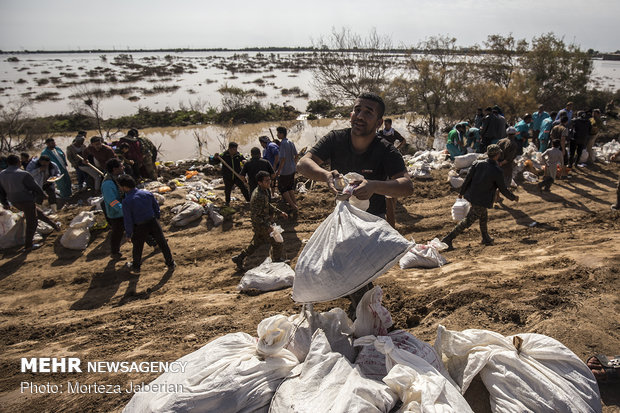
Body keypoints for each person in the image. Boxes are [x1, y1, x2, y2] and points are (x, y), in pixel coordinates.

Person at [297, 92, 413, 219]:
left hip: (374, 220)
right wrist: (326, 176)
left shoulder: (386, 150)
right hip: (343, 216)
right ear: (351, 115)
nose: (360, 116)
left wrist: (373, 186)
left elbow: (407, 186)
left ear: (379, 123)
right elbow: (302, 164)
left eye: (368, 112)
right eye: (357, 110)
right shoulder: (335, 139)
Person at [440, 145, 519, 250]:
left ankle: (485, 238)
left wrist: (461, 192)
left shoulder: (477, 163)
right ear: (497, 155)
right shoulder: (497, 171)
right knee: (468, 221)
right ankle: (448, 239)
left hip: (472, 195)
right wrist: (513, 197)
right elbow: (503, 189)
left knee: (483, 216)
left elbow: (468, 179)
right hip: (482, 199)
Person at [0, 154, 60, 251]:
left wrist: (5, 202)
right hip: (26, 200)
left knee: (37, 212)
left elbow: (1, 190)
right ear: (19, 162)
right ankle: (28, 245)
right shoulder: (23, 174)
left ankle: (54, 225)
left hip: (14, 201)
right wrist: (43, 195)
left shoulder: (2, 174)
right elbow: (34, 187)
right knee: (32, 222)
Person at [118, 174, 175, 273]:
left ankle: (136, 267)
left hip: (139, 226)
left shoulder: (127, 201)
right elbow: (156, 207)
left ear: (125, 187)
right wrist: (156, 217)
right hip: (152, 221)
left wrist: (128, 233)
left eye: (120, 186)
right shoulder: (147, 193)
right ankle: (170, 263)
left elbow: (128, 219)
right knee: (162, 243)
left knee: (137, 247)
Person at [232, 171, 288, 270]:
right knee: (277, 240)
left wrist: (279, 212)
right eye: (266, 181)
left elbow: (267, 205)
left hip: (263, 223)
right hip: (261, 224)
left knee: (256, 244)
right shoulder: (258, 196)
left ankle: (239, 258)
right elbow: (256, 216)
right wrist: (268, 226)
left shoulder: (264, 191)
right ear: (259, 182)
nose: (269, 182)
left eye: (269, 180)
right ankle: (277, 260)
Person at [101, 158, 126, 260]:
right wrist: (122, 210)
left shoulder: (117, 178)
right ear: (115, 169)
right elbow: (112, 201)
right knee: (117, 233)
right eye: (121, 166)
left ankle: (154, 243)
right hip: (116, 213)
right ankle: (114, 252)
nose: (123, 167)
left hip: (122, 209)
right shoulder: (108, 184)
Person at [275, 126, 299, 212]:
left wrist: (278, 171)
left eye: (278, 133)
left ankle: (293, 206)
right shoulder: (290, 142)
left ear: (281, 133)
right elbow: (296, 155)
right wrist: (294, 164)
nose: (277, 135)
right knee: (289, 187)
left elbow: (283, 159)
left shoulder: (283, 144)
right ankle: (295, 203)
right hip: (292, 169)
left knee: (282, 188)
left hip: (285, 170)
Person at [496, 127, 520, 201]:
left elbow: (495, 151)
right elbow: (509, 157)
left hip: (497, 164)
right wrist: (502, 163)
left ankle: (497, 196)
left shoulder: (500, 141)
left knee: (498, 180)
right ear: (515, 134)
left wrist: (497, 162)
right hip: (506, 166)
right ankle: (499, 195)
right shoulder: (513, 144)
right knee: (505, 183)